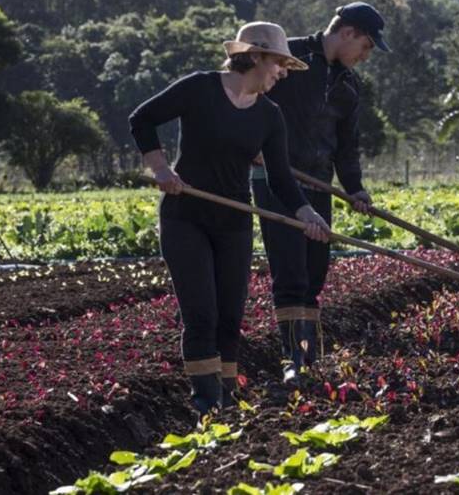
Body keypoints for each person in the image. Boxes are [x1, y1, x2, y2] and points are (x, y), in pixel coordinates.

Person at [129, 22, 330, 416]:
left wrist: (308, 215)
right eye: (279, 64)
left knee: (229, 316)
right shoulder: (200, 88)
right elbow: (142, 119)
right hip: (185, 217)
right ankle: (206, 405)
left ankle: (226, 399)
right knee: (201, 312)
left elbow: (281, 179)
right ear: (255, 56)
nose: (282, 73)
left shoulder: (270, 116)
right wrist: (160, 169)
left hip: (234, 224)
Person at [251, 2, 391, 382]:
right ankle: (290, 358)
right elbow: (246, 94)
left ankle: (307, 355)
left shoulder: (348, 85)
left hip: (318, 183)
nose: (365, 56)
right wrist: (252, 145)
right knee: (291, 269)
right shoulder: (288, 55)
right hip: (276, 179)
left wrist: (356, 189)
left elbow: (347, 145)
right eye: (365, 47)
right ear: (347, 33)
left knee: (315, 270)